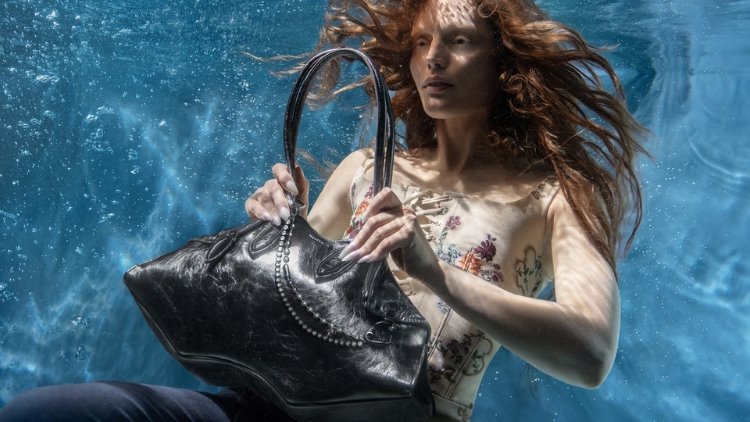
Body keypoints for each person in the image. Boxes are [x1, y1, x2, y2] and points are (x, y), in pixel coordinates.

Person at [0, 0, 645, 421]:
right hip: (278, 405)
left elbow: (590, 354)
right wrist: (273, 228)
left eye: (459, 41)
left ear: (504, 62)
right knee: (50, 413)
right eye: (421, 42)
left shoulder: (554, 196)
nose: (433, 59)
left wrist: (436, 272)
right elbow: (277, 303)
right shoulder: (365, 168)